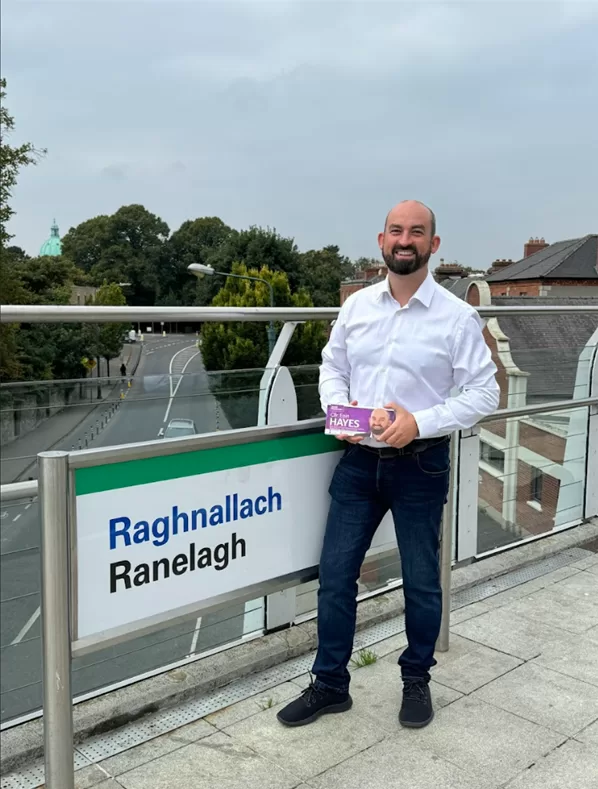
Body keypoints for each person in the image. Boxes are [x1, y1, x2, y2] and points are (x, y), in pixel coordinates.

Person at [277, 200, 499, 730]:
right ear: (381, 241)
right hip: (358, 463)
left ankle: (416, 679)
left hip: (420, 464)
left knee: (421, 582)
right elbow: (333, 367)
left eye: (417, 232)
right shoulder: (356, 308)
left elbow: (484, 393)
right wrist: (339, 409)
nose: (405, 240)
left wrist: (418, 422)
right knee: (335, 578)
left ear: (433, 246)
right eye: (396, 231)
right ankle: (330, 685)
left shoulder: (457, 317)